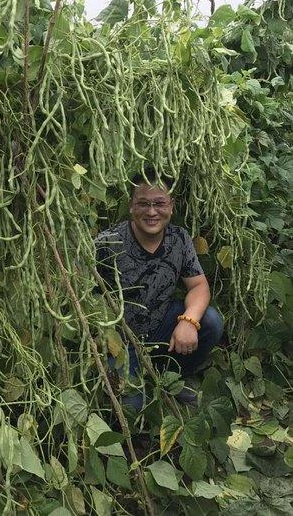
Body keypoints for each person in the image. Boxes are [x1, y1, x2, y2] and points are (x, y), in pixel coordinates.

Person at [95, 168, 224, 408]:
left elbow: (198, 286)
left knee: (211, 321)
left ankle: (172, 377)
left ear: (171, 206)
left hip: (161, 326)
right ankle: (140, 380)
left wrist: (188, 321)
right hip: (119, 341)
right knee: (132, 409)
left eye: (159, 203)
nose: (152, 212)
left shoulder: (179, 238)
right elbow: (84, 292)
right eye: (143, 203)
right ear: (131, 206)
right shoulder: (107, 243)